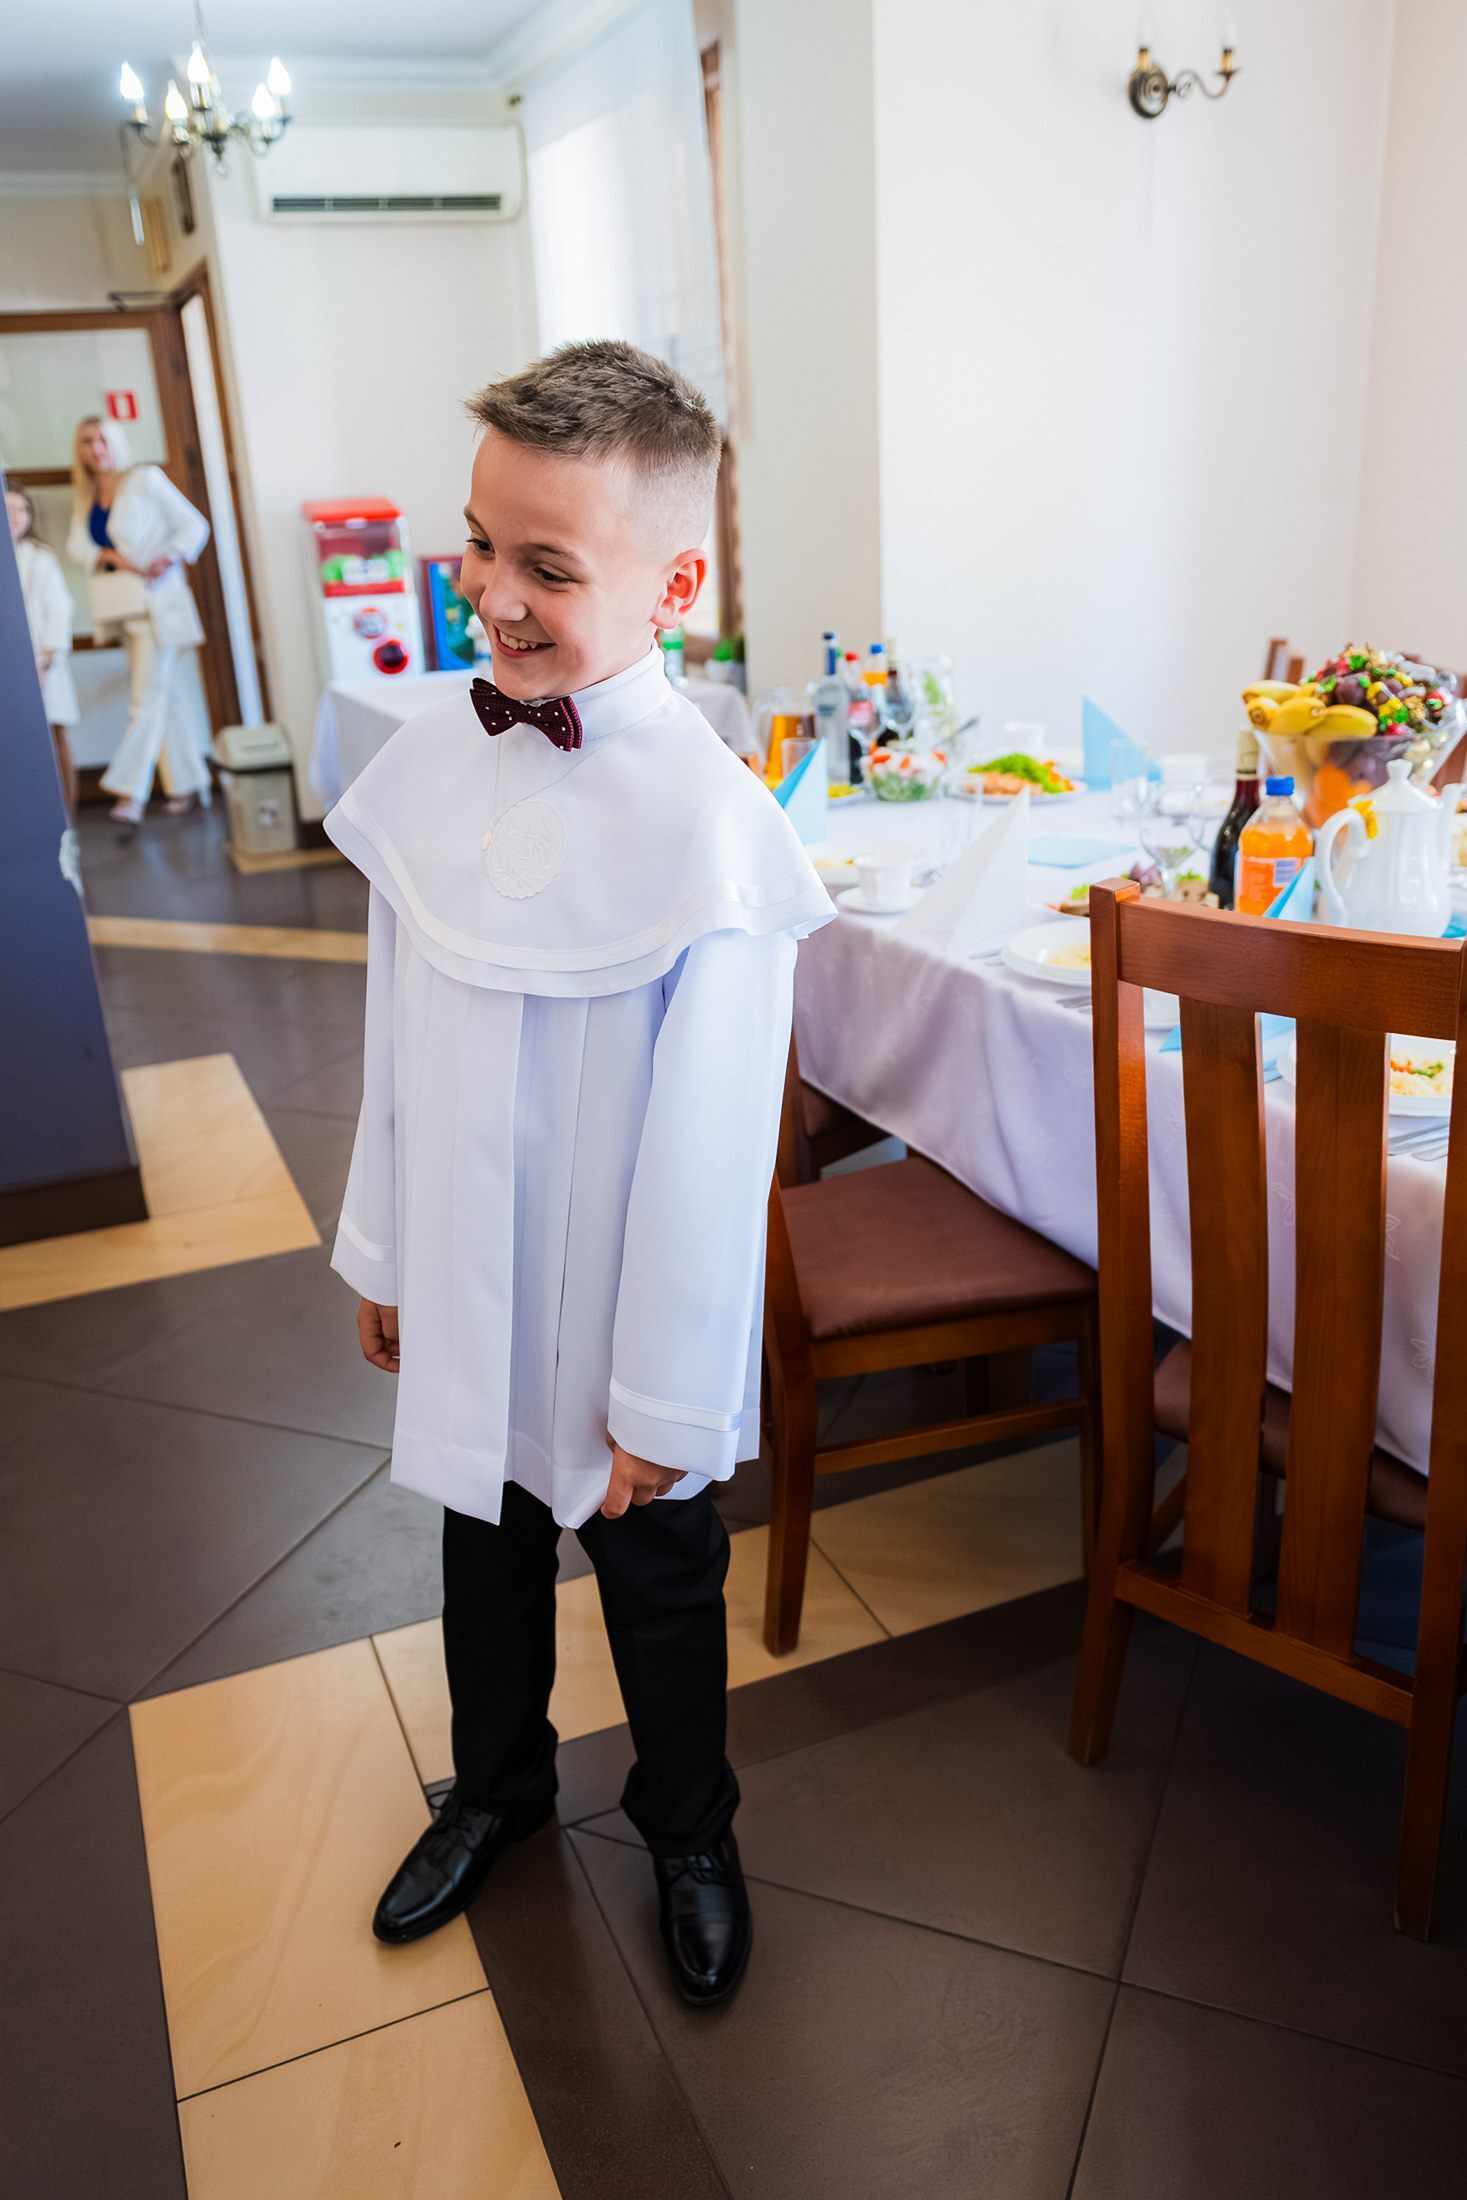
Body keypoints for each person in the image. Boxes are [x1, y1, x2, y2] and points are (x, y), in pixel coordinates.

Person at [326, 339, 833, 2006]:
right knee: (478, 1550)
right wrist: (388, 1250)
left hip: (623, 1314)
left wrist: (664, 1395)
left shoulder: (711, 824)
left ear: (673, 585)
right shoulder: (437, 758)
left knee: (659, 1585)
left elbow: (711, 1147)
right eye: (481, 545)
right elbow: (398, 1027)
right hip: (470, 1262)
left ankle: (691, 1831)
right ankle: (496, 1788)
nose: (494, 594)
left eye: (547, 566)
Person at [65, 415, 213, 831]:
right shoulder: (87, 495)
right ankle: (188, 785)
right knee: (167, 697)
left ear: (115, 442)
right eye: (87, 441)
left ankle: (129, 792)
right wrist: (109, 556)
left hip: (156, 605)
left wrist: (169, 557)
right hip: (123, 609)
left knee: (145, 697)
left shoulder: (144, 480)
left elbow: (194, 525)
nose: (96, 448)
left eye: (102, 439)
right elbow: (77, 546)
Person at [9, 486, 80, 815]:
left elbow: (59, 612)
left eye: (21, 509)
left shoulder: (41, 557)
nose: (14, 517)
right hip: (8, 667)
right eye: (7, 509)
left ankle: (67, 818)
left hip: (44, 663)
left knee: (55, 736)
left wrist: (45, 660)